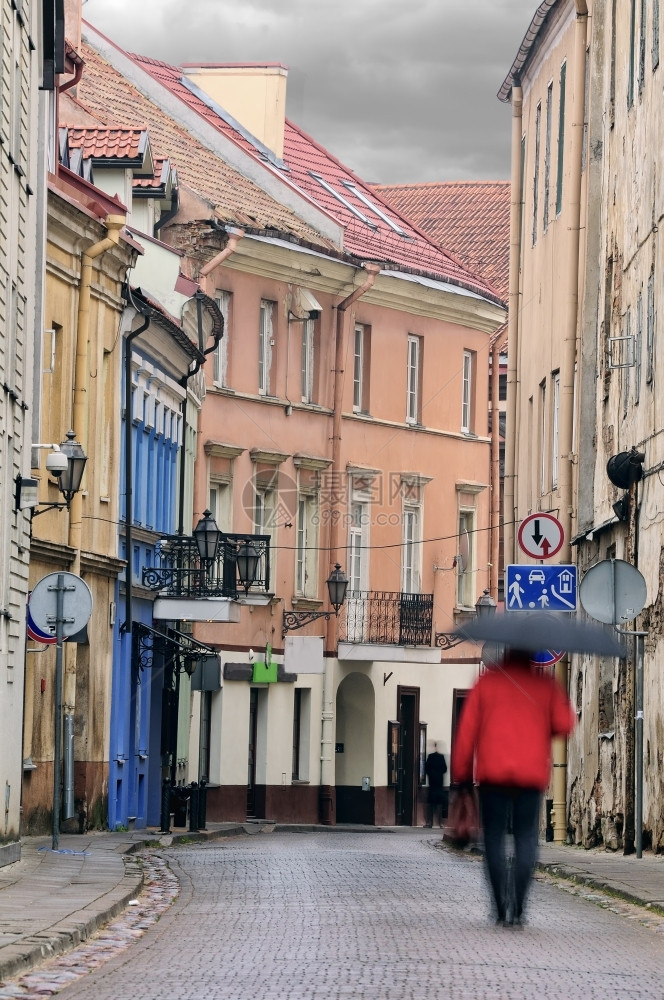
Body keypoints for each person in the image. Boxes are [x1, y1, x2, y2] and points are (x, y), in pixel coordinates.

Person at [451, 649, 575, 926]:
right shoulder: (544, 686)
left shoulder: (488, 683)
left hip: (492, 776)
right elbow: (565, 724)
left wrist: (461, 777)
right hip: (530, 776)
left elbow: (466, 732)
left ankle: (499, 905)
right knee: (526, 838)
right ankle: (518, 905)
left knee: (493, 839)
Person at [424, 742, 448, 828]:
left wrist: (431, 774)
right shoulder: (441, 757)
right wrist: (439, 774)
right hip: (439, 784)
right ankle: (440, 824)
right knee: (438, 805)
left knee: (431, 805)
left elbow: (426, 769)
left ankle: (429, 823)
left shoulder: (430, 757)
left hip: (433, 784)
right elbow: (445, 769)